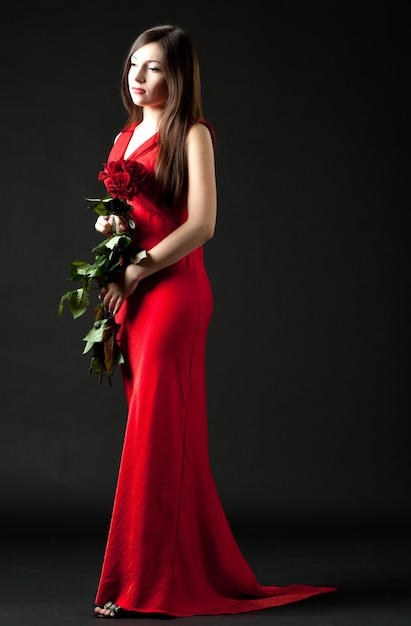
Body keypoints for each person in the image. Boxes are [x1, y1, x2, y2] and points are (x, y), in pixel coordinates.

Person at [92, 24, 336, 618]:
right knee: (157, 438)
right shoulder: (125, 137)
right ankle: (162, 573)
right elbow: (126, 217)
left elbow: (201, 224)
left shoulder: (192, 134)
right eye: (133, 66)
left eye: (152, 68)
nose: (138, 78)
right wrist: (111, 241)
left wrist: (137, 270)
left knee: (157, 436)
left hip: (174, 294)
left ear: (179, 75)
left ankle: (147, 586)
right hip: (135, 293)